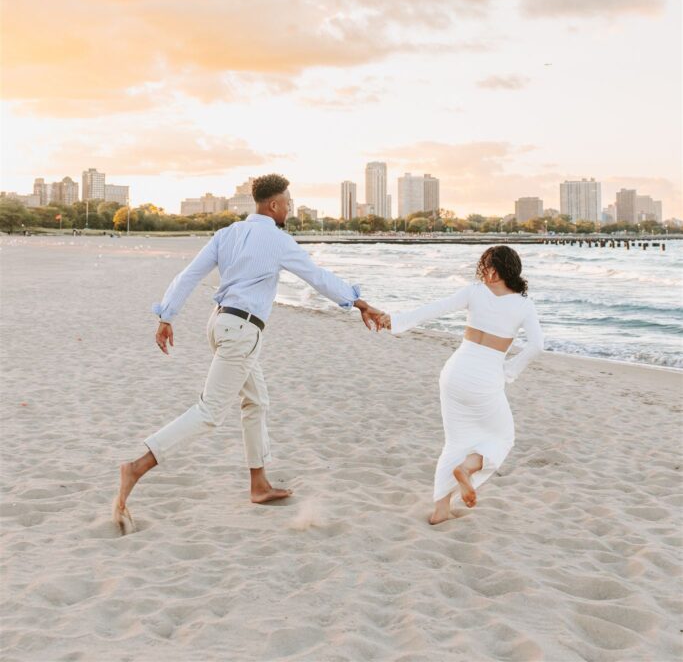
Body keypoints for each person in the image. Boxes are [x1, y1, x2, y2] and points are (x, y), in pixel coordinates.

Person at [114, 173, 385, 534]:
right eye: (287, 203)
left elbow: (189, 275)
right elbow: (317, 277)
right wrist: (359, 303)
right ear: (273, 205)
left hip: (220, 324)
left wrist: (167, 316)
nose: (289, 208)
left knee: (256, 402)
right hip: (242, 331)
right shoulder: (278, 240)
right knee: (209, 412)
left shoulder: (227, 234)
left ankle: (259, 485)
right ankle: (137, 466)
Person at [382, 246, 544, 525]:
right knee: (503, 438)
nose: (484, 272)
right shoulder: (523, 305)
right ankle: (467, 469)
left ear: (494, 270)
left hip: (455, 373)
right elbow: (536, 346)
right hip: (486, 377)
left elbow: (434, 309)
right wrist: (509, 371)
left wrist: (396, 321)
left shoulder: (474, 292)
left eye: (487, 266)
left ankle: (440, 510)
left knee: (454, 442)